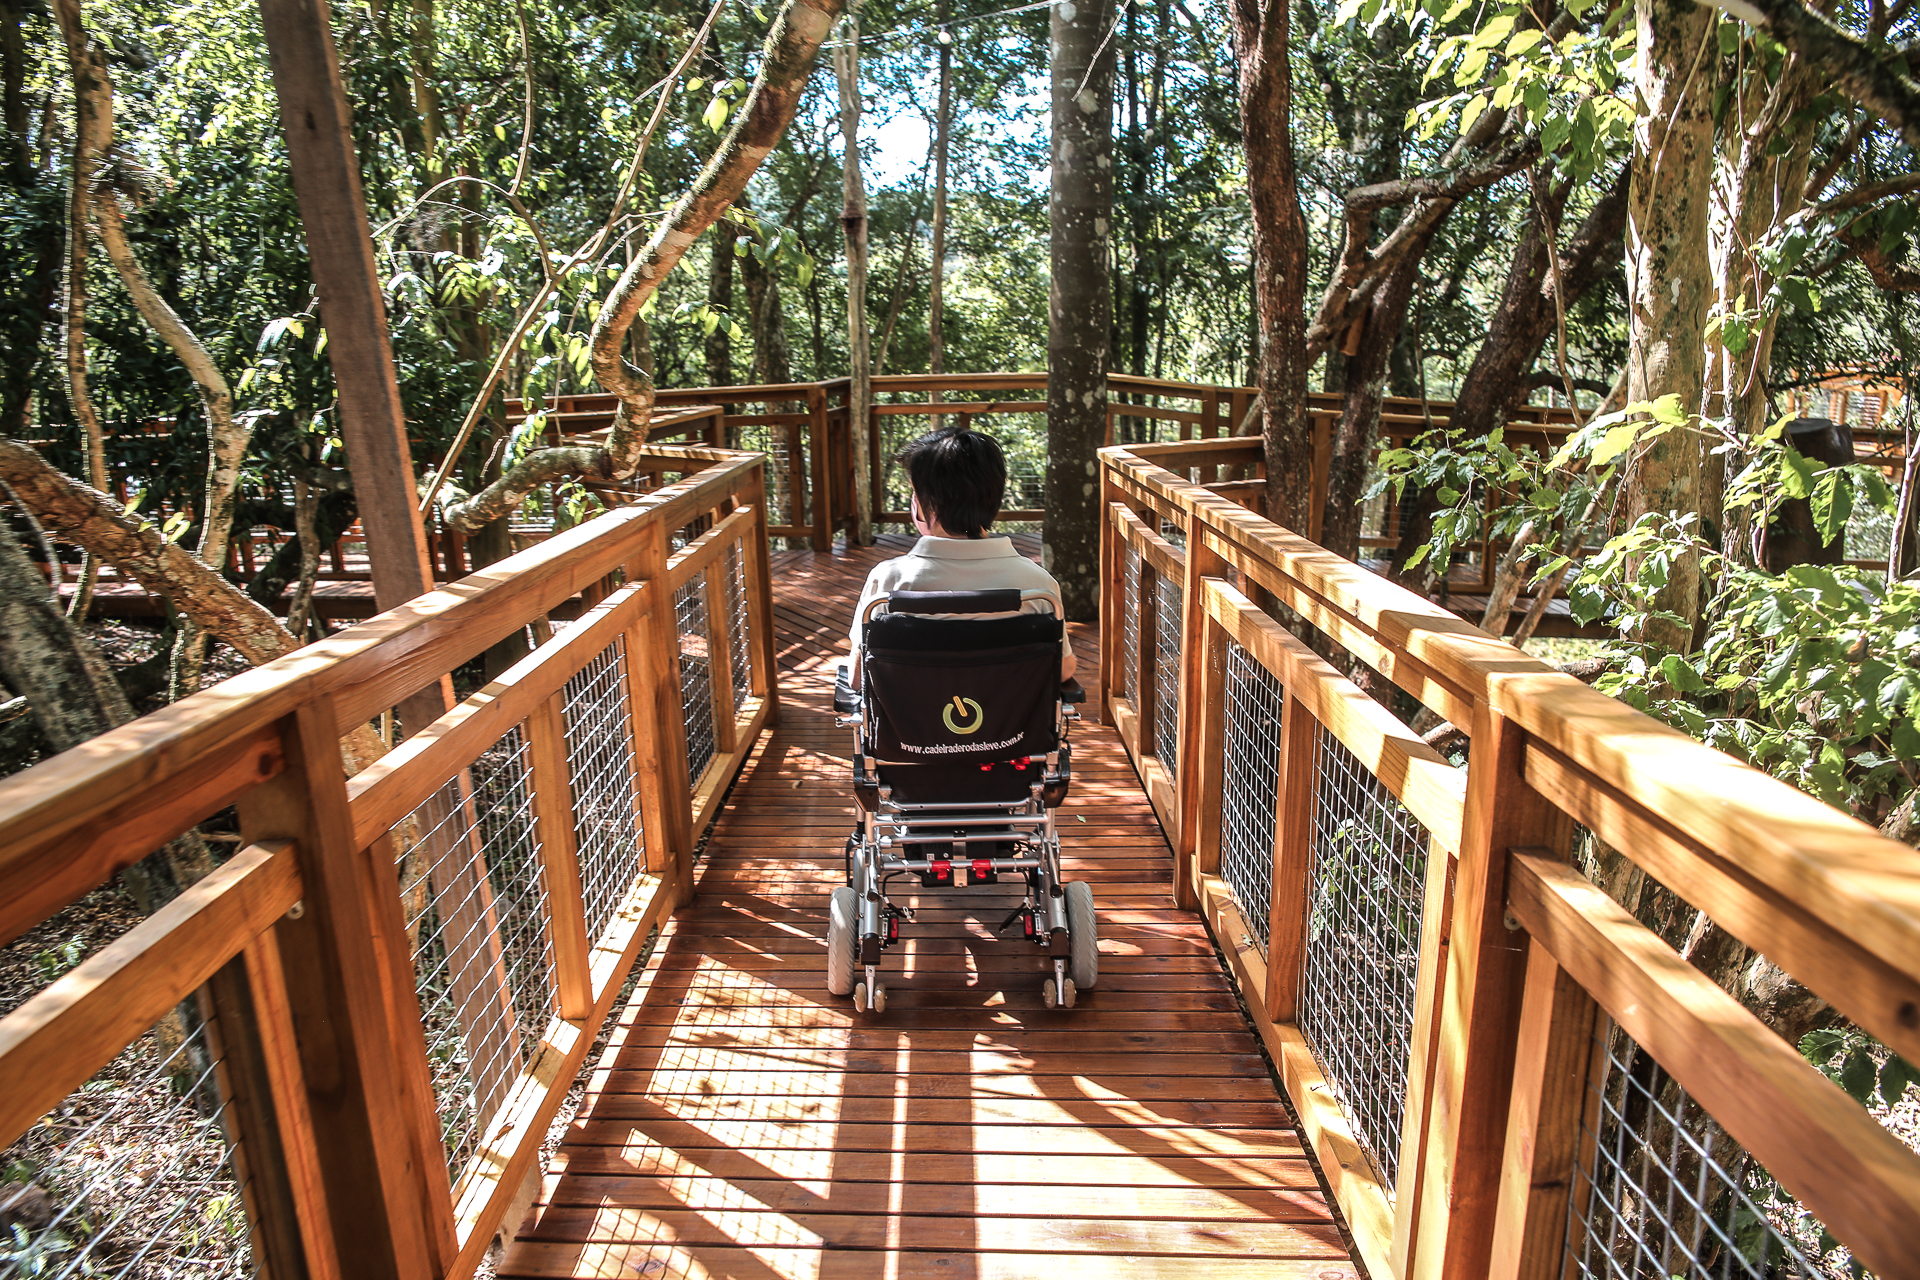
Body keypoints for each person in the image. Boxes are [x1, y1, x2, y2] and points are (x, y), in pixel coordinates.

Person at [846, 426, 1077, 683]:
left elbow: (857, 678)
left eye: (914, 492)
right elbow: (1063, 670)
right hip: (1007, 721)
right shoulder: (1037, 584)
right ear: (994, 497)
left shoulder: (889, 581)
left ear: (924, 503)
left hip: (913, 720)